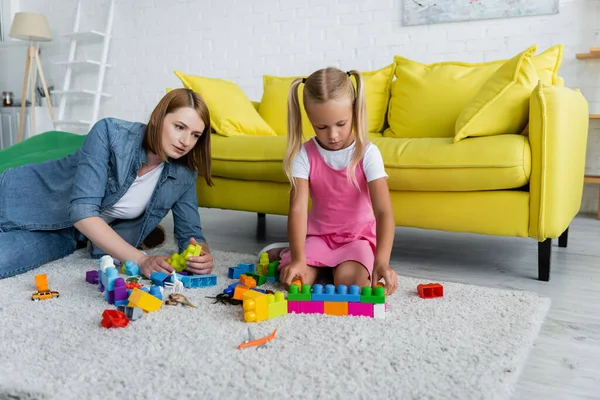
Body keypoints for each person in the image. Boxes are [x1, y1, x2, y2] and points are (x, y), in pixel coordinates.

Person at [0, 88, 214, 279]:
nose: (186, 142)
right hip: (20, 198)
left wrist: (200, 254)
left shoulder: (185, 173)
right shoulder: (110, 133)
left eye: (195, 135)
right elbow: (83, 212)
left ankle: (137, 234)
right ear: (158, 118)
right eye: (179, 127)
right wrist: (140, 260)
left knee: (5, 259)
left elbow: (191, 234)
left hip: (68, 235)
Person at [263, 67, 399, 296]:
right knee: (294, 281)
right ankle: (294, 254)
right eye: (321, 127)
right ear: (309, 119)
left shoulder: (368, 153)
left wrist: (382, 262)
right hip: (319, 237)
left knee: (351, 286)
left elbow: (384, 211)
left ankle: (327, 267)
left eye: (341, 124)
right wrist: (297, 258)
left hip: (357, 239)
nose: (333, 135)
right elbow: (297, 209)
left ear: (354, 112)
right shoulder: (303, 155)